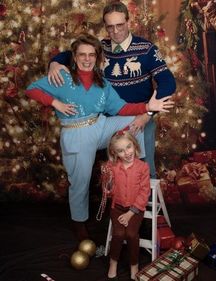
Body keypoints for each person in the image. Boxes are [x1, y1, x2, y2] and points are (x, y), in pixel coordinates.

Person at [25, 33, 174, 245]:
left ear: (97, 57)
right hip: (76, 133)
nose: (87, 59)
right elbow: (31, 90)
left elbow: (122, 108)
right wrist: (55, 104)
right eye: (82, 55)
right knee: (80, 182)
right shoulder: (63, 78)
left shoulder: (102, 83)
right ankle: (79, 223)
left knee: (135, 121)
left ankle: (135, 172)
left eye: (91, 55)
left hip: (100, 125)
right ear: (75, 58)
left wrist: (148, 108)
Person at [47, 1, 176, 179]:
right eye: (110, 27)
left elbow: (168, 82)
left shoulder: (146, 49)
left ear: (129, 22)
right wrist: (54, 63)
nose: (115, 32)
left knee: (143, 169)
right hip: (109, 122)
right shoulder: (101, 48)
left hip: (140, 118)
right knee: (115, 172)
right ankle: (120, 206)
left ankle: (146, 205)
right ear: (106, 27)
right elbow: (69, 55)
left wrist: (147, 115)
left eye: (120, 25)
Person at [102, 130, 150, 280]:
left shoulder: (143, 167)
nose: (127, 153)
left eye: (129, 147)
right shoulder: (112, 167)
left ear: (134, 145)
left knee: (131, 234)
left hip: (135, 210)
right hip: (117, 208)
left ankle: (134, 264)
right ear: (115, 153)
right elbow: (108, 193)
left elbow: (144, 192)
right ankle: (113, 261)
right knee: (118, 234)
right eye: (121, 151)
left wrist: (131, 213)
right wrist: (107, 180)